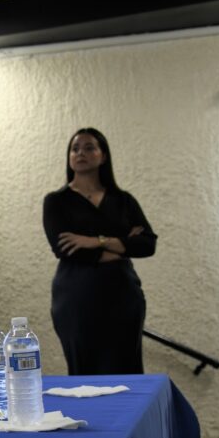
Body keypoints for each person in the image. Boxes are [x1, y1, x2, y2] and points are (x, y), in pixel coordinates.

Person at [42, 127, 157, 375]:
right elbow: (66, 250)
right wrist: (124, 245)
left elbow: (147, 244)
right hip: (76, 297)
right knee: (85, 377)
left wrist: (97, 241)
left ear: (103, 156)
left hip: (123, 297)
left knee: (127, 373)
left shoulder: (124, 200)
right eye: (75, 148)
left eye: (89, 147)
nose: (80, 153)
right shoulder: (57, 201)